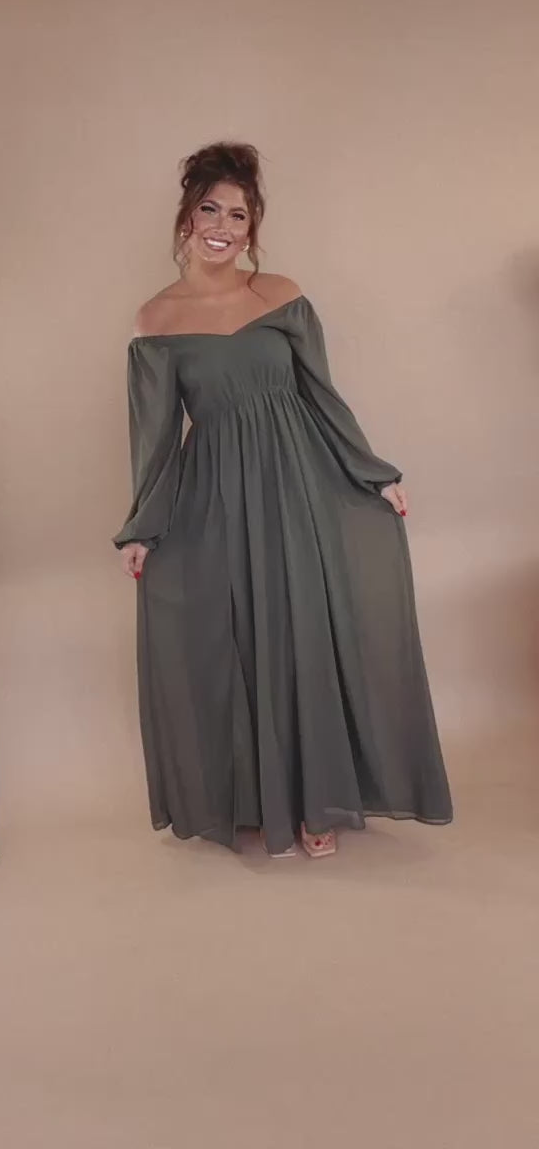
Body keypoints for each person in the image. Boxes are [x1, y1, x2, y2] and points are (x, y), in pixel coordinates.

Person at [114, 142, 452, 860]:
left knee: (305, 633)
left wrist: (373, 474)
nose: (223, 226)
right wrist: (143, 528)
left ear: (253, 226)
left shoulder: (280, 296)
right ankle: (263, 801)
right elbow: (155, 440)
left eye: (238, 215)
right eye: (210, 209)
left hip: (299, 483)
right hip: (218, 498)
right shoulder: (156, 320)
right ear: (186, 217)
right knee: (241, 642)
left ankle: (317, 800)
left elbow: (322, 396)